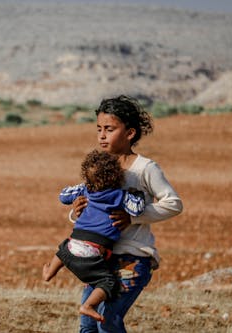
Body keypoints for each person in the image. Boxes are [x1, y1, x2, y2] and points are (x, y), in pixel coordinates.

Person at [74, 95, 183, 333]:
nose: (102, 135)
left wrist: (132, 217)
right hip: (101, 261)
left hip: (133, 258)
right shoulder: (99, 167)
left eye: (109, 129)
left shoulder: (145, 168)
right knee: (88, 324)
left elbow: (173, 203)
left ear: (130, 133)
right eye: (99, 129)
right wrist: (77, 212)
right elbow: (91, 209)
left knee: (108, 321)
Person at [42, 149, 145, 323]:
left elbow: (63, 196)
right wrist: (138, 193)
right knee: (108, 283)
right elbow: (137, 208)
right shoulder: (120, 196)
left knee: (63, 249)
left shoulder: (85, 191)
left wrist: (79, 192)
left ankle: (49, 272)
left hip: (72, 245)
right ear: (117, 176)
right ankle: (88, 305)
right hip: (93, 250)